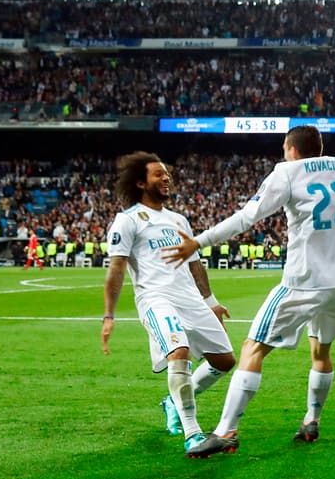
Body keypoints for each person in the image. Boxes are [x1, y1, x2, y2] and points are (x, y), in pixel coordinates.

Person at [162, 125, 335, 457]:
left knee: (252, 348)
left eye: (285, 149)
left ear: (292, 150)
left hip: (302, 283)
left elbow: (247, 217)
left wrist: (199, 240)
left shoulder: (286, 172)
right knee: (321, 352)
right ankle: (311, 420)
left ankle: (226, 431)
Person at [101, 152, 236, 457]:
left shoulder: (179, 220)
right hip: (156, 299)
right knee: (180, 351)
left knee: (225, 361)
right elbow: (117, 268)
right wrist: (109, 314)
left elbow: (195, 264)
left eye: (167, 174)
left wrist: (211, 302)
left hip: (190, 299)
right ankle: (193, 435)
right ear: (140, 183)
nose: (166, 178)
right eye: (158, 175)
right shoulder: (128, 220)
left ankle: (172, 402)